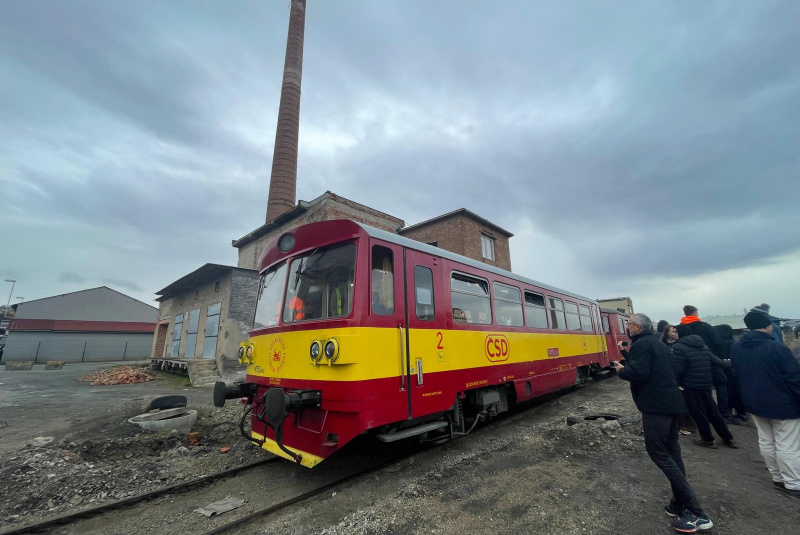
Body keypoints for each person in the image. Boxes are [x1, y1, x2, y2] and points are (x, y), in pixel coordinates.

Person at [614, 313, 713, 532]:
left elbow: (638, 373)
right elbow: (652, 369)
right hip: (673, 404)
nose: (627, 327)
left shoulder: (642, 344)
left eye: (629, 324)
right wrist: (625, 357)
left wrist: (622, 371)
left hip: (656, 408)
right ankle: (679, 503)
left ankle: (696, 512)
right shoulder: (656, 343)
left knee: (657, 452)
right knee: (672, 452)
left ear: (638, 327)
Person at [730, 311, 800, 499]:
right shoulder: (777, 348)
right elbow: (794, 379)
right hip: (783, 405)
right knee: (788, 445)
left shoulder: (737, 348)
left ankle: (777, 478)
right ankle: (793, 484)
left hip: (754, 403)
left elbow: (736, 374)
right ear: (768, 326)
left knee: (766, 441)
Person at [673, 324, 737, 449]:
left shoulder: (679, 347)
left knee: (699, 413)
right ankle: (728, 437)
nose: (674, 334)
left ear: (680, 333)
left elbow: (678, 369)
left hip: (691, 386)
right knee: (714, 412)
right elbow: (718, 361)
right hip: (706, 384)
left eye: (676, 331)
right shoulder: (702, 345)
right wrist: (733, 362)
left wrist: (677, 383)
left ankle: (708, 439)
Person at [714, 324, 747, 424]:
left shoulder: (716, 344)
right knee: (738, 392)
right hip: (735, 372)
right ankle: (742, 412)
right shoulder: (735, 343)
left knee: (726, 393)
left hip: (722, 372)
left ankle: (727, 412)